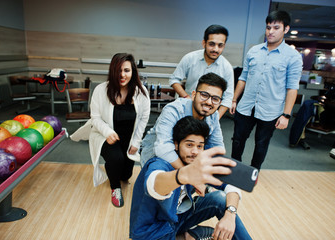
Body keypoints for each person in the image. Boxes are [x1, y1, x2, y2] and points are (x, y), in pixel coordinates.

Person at [130, 116, 252, 240]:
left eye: (200, 146)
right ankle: (190, 234)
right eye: (189, 145)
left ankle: (190, 233)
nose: (195, 151)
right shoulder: (159, 163)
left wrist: (230, 214)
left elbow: (231, 185)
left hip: (176, 220)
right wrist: (183, 175)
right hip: (151, 233)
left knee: (219, 198)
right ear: (176, 145)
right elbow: (153, 184)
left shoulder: (196, 164)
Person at [71, 53, 150, 208]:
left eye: (126, 70)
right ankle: (115, 188)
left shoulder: (142, 93)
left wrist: (136, 142)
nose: (122, 75)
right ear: (112, 71)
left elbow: (143, 119)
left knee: (126, 174)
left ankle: (115, 171)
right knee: (116, 160)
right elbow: (95, 117)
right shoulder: (101, 90)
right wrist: (107, 132)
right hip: (104, 135)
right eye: (118, 70)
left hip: (129, 137)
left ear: (133, 71)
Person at [229, 10, 303, 170]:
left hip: (271, 109)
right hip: (246, 105)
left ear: (286, 29)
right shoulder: (254, 51)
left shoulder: (293, 56)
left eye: (276, 27)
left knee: (261, 143)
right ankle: (235, 170)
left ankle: (253, 172)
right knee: (237, 140)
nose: (271, 31)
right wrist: (234, 99)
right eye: (268, 27)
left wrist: (286, 115)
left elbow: (292, 88)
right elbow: (243, 77)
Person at [141, 72, 226, 171]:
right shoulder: (174, 110)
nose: (208, 102)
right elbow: (162, 149)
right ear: (194, 95)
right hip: (158, 158)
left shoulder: (213, 116)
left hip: (189, 158)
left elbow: (217, 149)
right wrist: (188, 175)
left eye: (215, 99)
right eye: (204, 95)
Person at [169, 24, 234, 118]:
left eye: (220, 45)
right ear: (204, 43)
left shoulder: (226, 67)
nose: (215, 49)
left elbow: (228, 98)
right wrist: (187, 98)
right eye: (212, 44)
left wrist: (215, 119)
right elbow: (174, 80)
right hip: (186, 109)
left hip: (209, 113)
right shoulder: (190, 58)